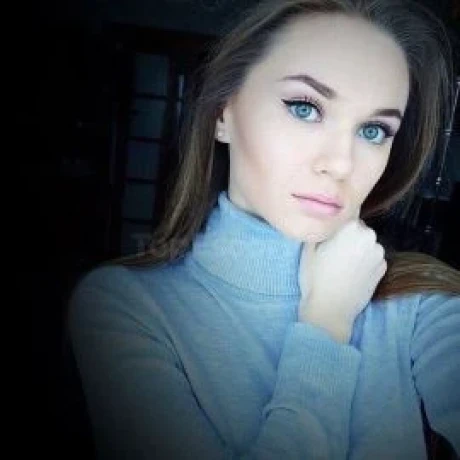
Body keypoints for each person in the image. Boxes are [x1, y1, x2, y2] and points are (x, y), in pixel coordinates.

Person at [67, 0, 460, 458]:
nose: (340, 163)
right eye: (305, 108)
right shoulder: (127, 306)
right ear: (223, 112)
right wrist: (326, 325)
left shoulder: (419, 301)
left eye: (373, 131)